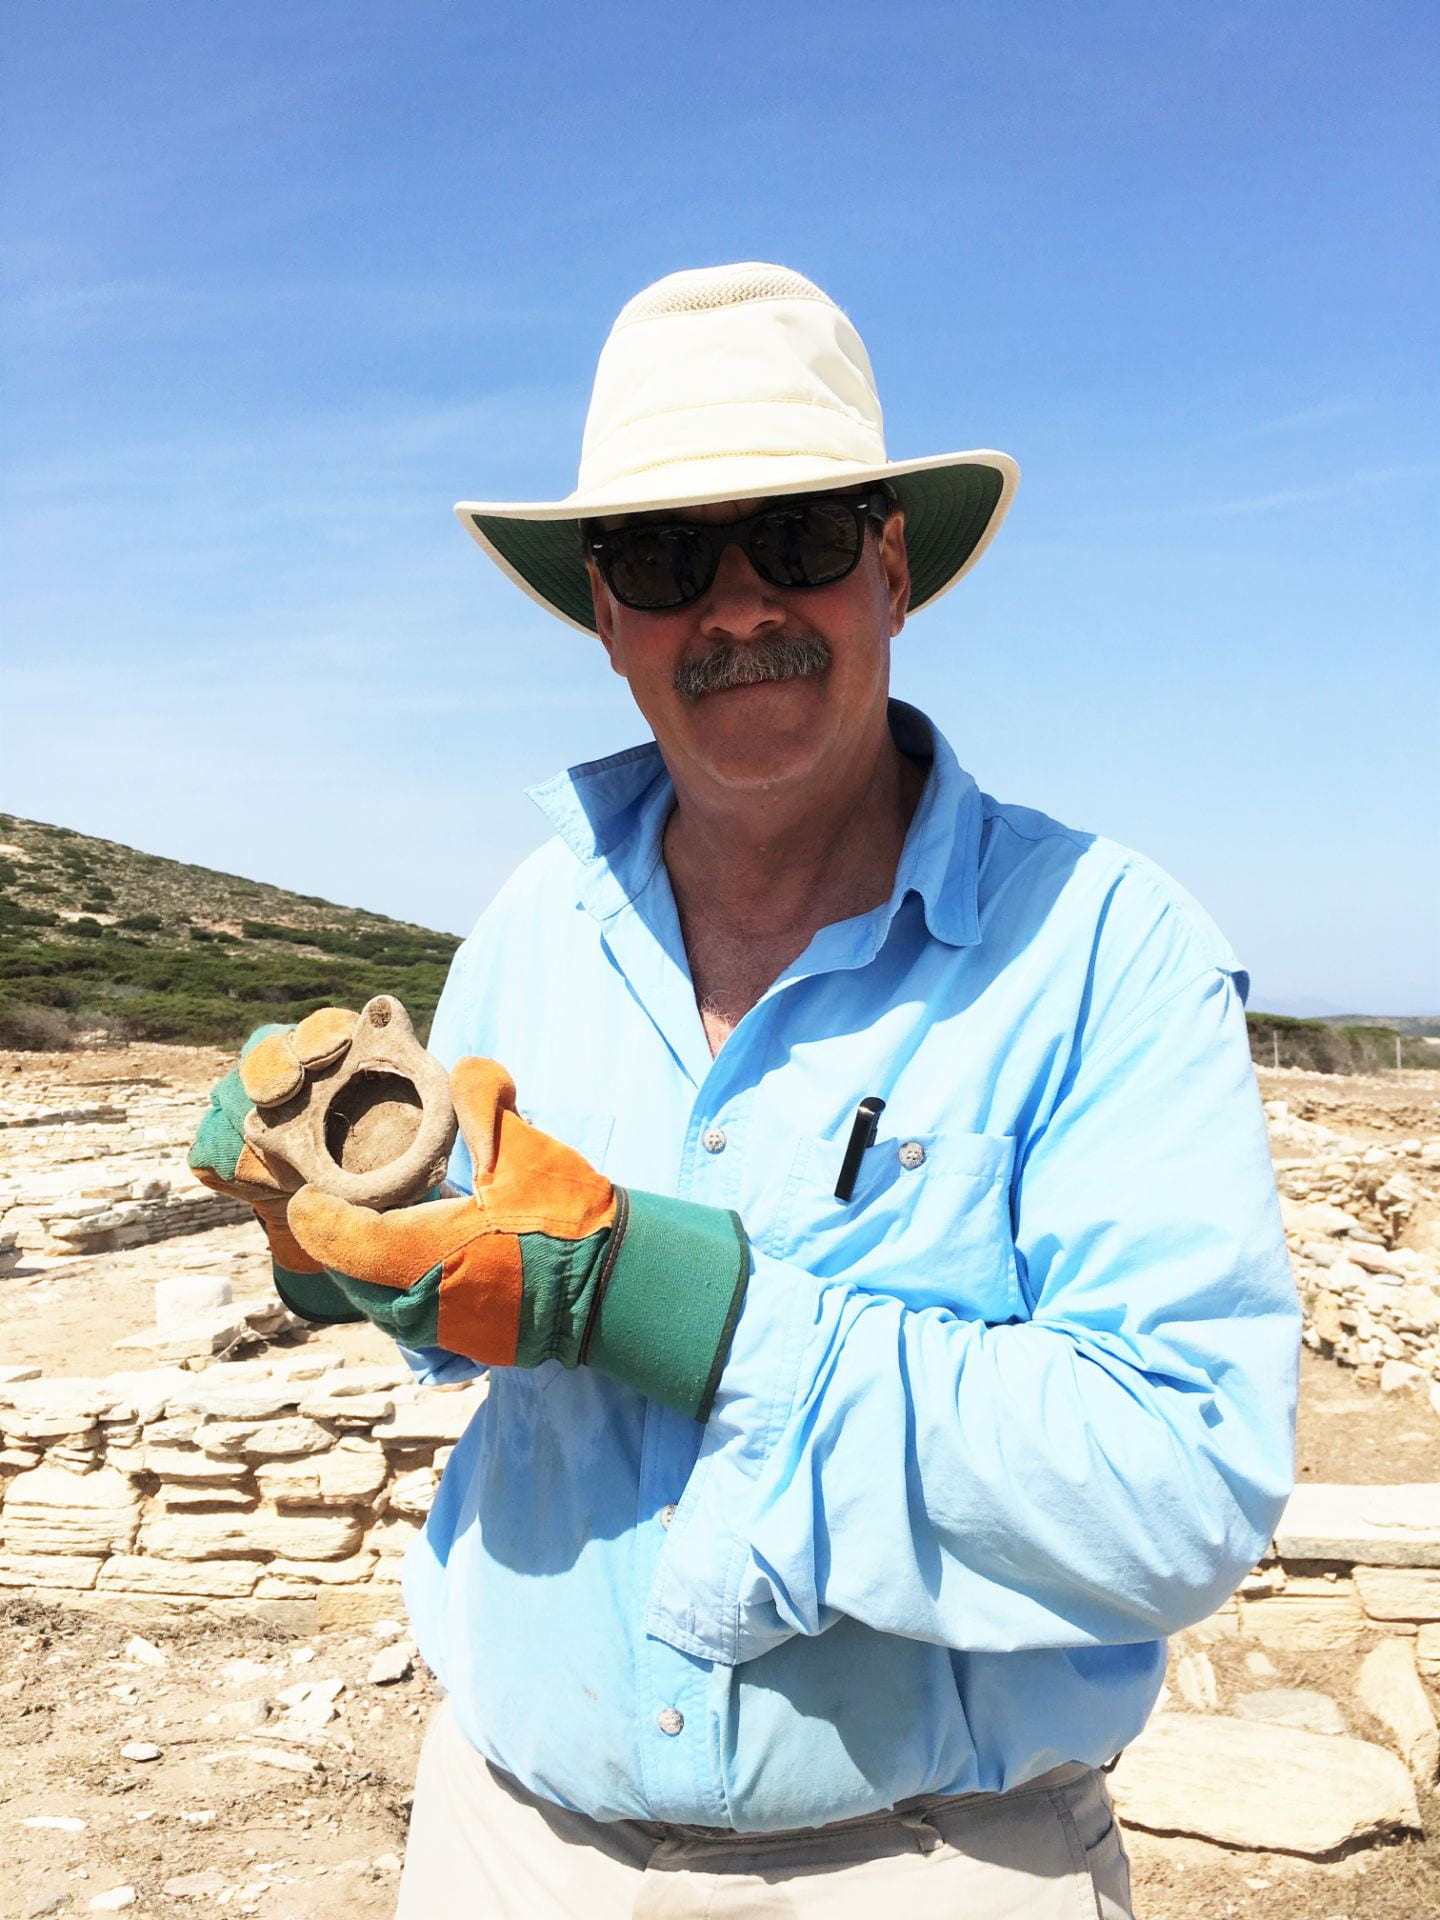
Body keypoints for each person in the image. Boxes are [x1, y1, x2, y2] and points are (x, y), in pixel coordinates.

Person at [190, 263, 1299, 1918]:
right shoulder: (528, 927)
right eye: (660, 558)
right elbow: (476, 1297)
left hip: (931, 1870)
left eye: (796, 537)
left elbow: (1181, 1488)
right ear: (606, 620)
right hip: (510, 1847)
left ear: (891, 566)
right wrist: (336, 1244)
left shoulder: (1103, 949)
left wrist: (681, 1307)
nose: (735, 608)